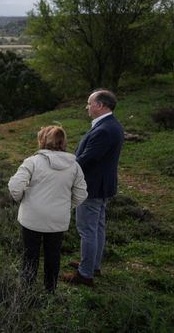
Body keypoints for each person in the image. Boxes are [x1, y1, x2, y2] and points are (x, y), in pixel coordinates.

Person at [8, 125, 87, 292]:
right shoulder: (74, 166)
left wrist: (22, 200)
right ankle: (50, 290)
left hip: (32, 218)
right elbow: (81, 194)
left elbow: (15, 186)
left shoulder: (33, 162)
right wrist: (66, 206)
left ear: (42, 141)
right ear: (63, 142)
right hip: (57, 219)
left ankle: (26, 291)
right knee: (53, 255)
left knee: (30, 255)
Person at [62, 89, 124, 287]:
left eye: (89, 103)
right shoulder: (109, 125)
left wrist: (63, 168)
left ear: (100, 105)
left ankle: (85, 274)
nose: (87, 107)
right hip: (101, 185)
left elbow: (87, 159)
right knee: (97, 227)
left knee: (87, 229)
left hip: (92, 187)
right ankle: (92, 264)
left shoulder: (104, 130)